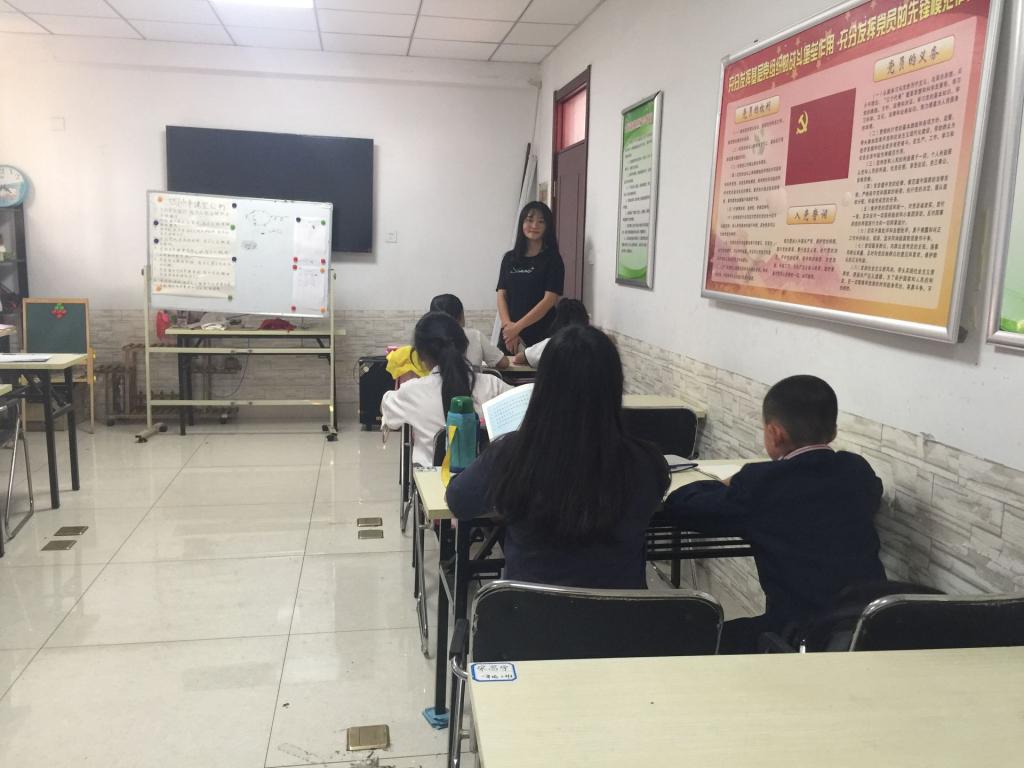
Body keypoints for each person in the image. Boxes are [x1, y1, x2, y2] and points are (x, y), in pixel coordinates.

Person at [663, 375, 885, 653]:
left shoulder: (762, 483)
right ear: (833, 432)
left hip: (799, 634)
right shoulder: (857, 471)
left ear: (775, 433)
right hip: (870, 627)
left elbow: (684, 507)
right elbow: (874, 490)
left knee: (693, 640)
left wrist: (724, 484)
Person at [446, 325, 669, 588]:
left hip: (526, 612)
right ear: (615, 385)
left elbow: (458, 500)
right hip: (622, 613)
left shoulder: (511, 455)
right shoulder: (646, 463)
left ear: (543, 386)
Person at [381, 312, 511, 467]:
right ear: (464, 346)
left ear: (420, 356)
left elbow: (388, 413)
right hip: (486, 478)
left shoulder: (411, 391)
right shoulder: (493, 385)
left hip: (430, 480)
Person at [496, 201, 565, 354]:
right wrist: (508, 327)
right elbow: (501, 294)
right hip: (510, 335)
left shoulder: (553, 259)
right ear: (522, 223)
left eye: (541, 221)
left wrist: (517, 327)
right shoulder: (509, 258)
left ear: (548, 227)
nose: (534, 225)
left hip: (541, 333)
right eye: (530, 220)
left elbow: (549, 300)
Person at [429, 293, 509, 370]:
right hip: (473, 380)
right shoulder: (475, 335)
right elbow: (503, 363)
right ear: (461, 315)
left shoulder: (428, 339)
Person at [513, 298, 590, 367]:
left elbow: (518, 359)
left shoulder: (552, 344)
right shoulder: (593, 344)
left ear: (558, 320)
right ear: (585, 319)